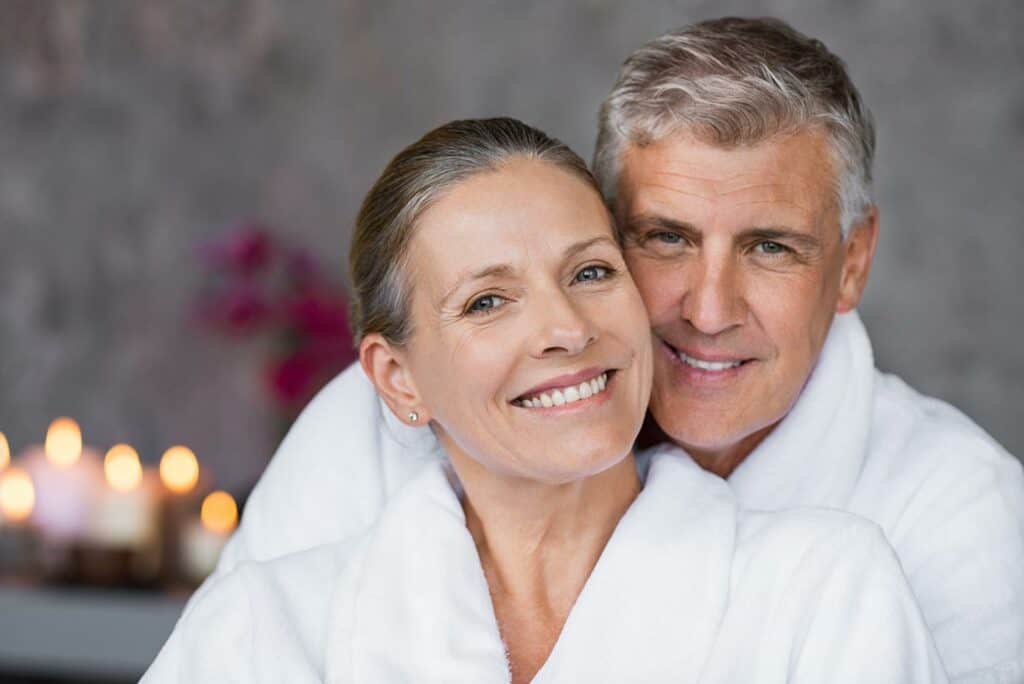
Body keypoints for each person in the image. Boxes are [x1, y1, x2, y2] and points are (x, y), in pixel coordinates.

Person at [205, 17, 1023, 682]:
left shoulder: (958, 521)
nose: (707, 310)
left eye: (771, 247)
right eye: (663, 239)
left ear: (851, 262)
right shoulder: (368, 431)